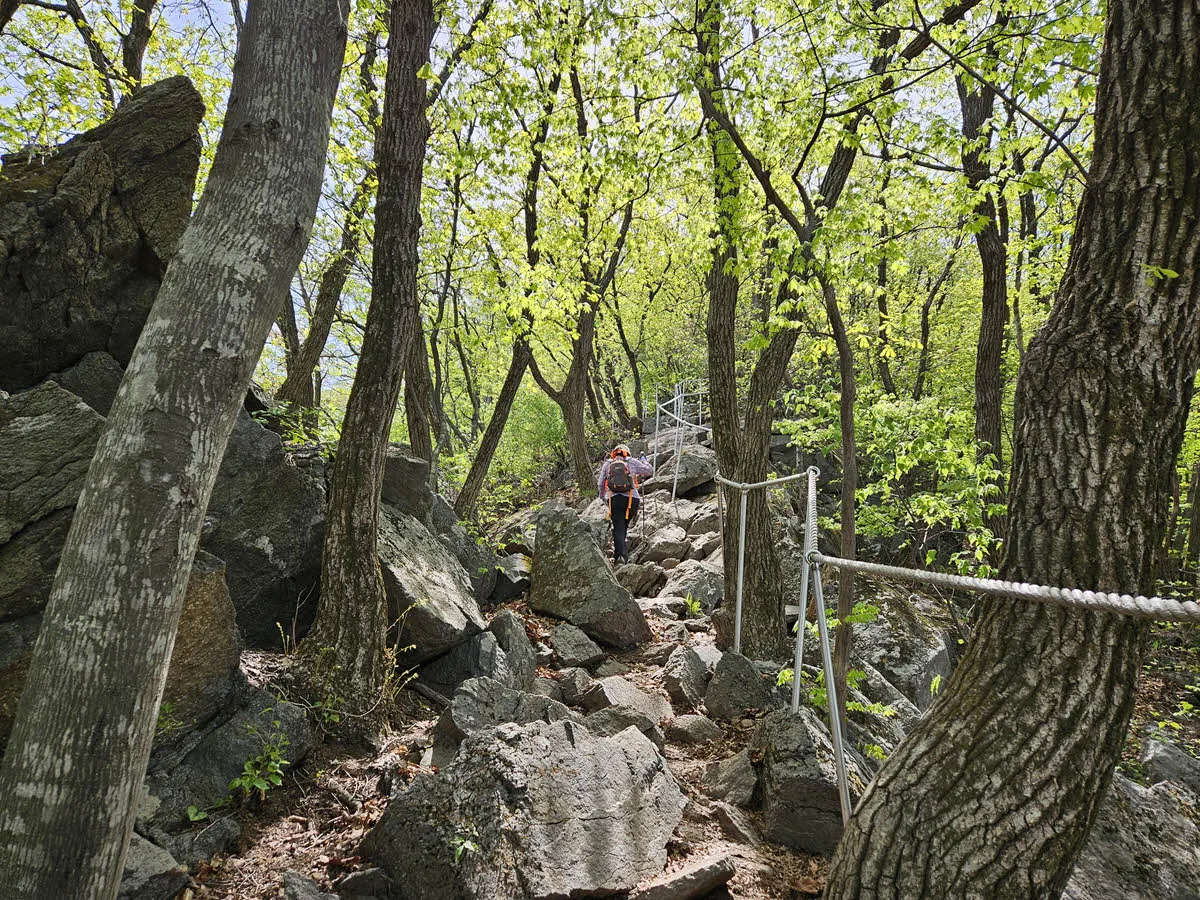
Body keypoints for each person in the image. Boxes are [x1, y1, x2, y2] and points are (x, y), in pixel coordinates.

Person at [597, 444, 653, 563]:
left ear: (614, 453)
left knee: (618, 527)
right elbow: (649, 471)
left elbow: (601, 483)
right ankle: (622, 553)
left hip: (615, 499)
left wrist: (603, 497)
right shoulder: (632, 461)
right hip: (632, 500)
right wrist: (644, 460)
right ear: (627, 452)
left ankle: (620, 557)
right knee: (623, 525)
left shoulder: (608, 464)